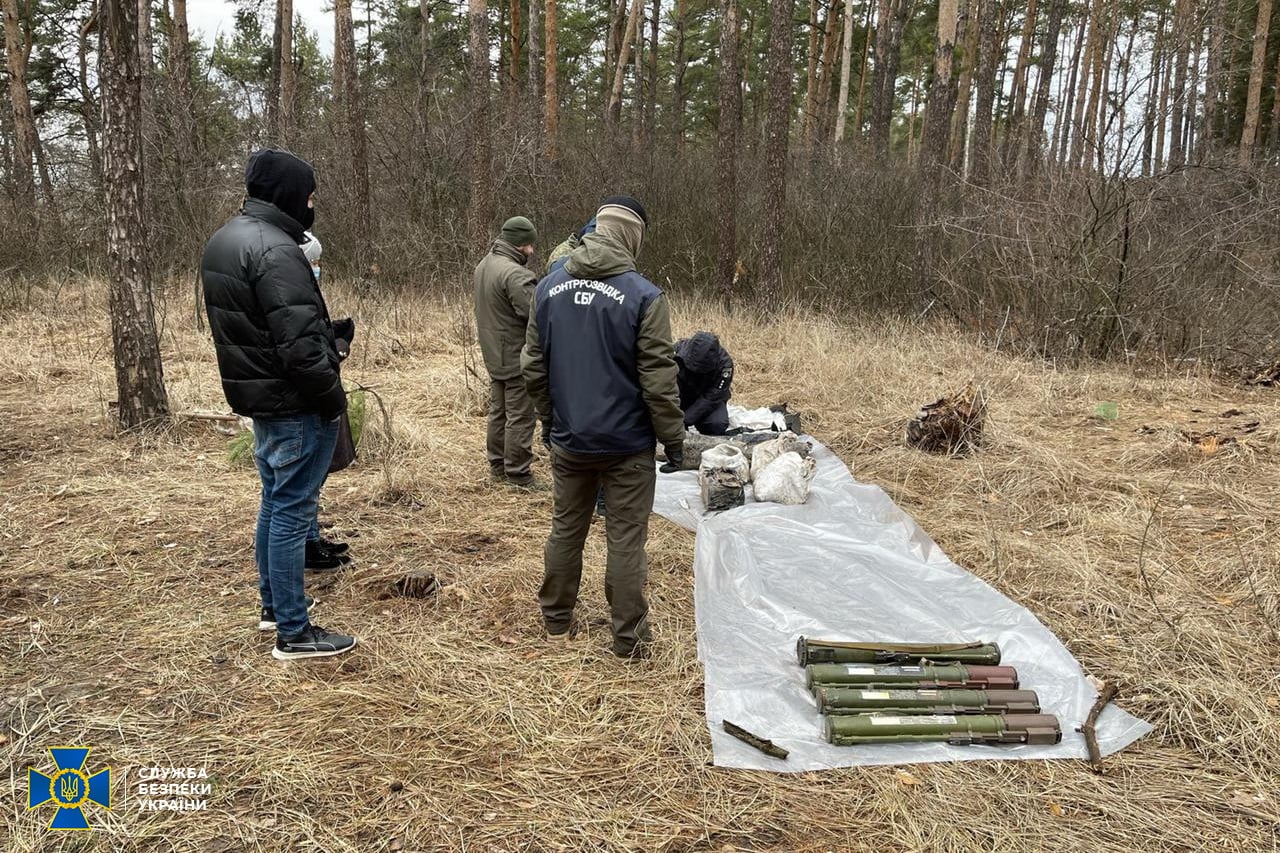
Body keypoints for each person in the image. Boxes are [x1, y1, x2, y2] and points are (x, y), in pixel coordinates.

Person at [201, 148, 357, 661]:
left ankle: (275, 607)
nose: (312, 206)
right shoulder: (276, 250)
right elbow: (298, 348)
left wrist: (326, 335)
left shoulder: (227, 239)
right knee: (292, 511)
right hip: (294, 404)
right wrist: (333, 399)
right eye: (309, 197)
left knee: (275, 502)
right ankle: (294, 631)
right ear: (290, 194)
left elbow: (265, 328)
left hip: (263, 399)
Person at [521, 196, 684, 659]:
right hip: (628, 445)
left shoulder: (548, 289)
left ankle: (556, 623)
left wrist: (551, 422)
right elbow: (659, 382)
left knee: (566, 529)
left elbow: (533, 367)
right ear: (632, 237)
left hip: (571, 439)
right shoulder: (645, 297)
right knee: (626, 540)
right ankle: (628, 640)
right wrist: (674, 441)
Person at [299, 231, 353, 571]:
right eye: (314, 261)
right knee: (305, 482)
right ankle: (306, 546)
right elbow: (303, 349)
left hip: (317, 394)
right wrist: (336, 346)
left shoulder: (306, 292)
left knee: (312, 482)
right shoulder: (292, 292)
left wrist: (335, 334)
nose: (318, 267)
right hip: (309, 401)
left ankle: (312, 538)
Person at [474, 216, 540, 487]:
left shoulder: (484, 265)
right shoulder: (515, 274)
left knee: (499, 412)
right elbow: (536, 315)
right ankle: (518, 474)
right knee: (520, 416)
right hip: (515, 356)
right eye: (529, 245)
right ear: (519, 243)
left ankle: (498, 466)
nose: (531, 251)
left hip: (493, 354)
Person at [676, 331, 734, 436]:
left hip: (706, 399)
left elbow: (712, 397)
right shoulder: (676, 352)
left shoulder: (724, 365)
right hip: (678, 395)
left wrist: (684, 420)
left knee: (717, 424)